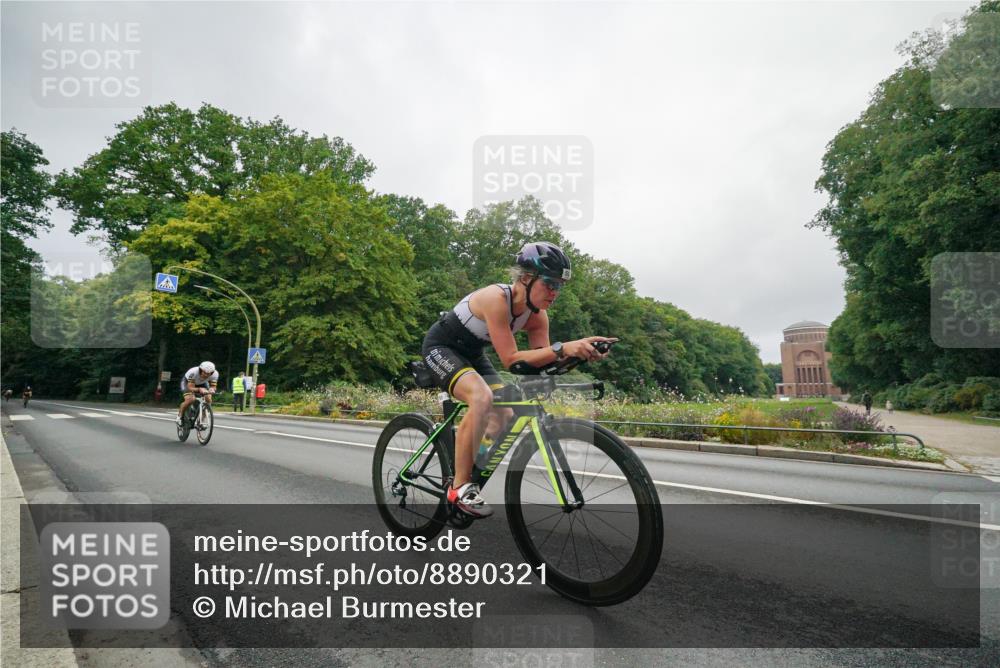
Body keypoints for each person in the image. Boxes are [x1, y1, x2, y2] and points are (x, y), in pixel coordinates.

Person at [421, 241, 615, 518]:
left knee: (505, 410)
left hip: (473, 354)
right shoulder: (496, 299)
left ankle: (469, 457)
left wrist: (580, 353)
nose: (555, 292)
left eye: (559, 286)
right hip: (441, 347)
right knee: (481, 398)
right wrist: (563, 347)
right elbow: (511, 360)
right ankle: (459, 487)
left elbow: (539, 362)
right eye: (550, 283)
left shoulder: (538, 317)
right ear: (526, 278)